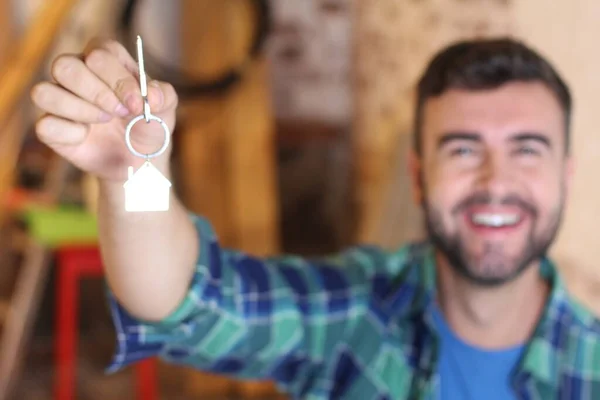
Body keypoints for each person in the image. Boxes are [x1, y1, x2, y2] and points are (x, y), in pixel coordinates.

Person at [30, 35, 600, 400]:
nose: (496, 181)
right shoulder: (358, 310)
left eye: (528, 149)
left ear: (565, 175)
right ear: (420, 174)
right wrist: (135, 176)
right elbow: (183, 302)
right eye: (463, 149)